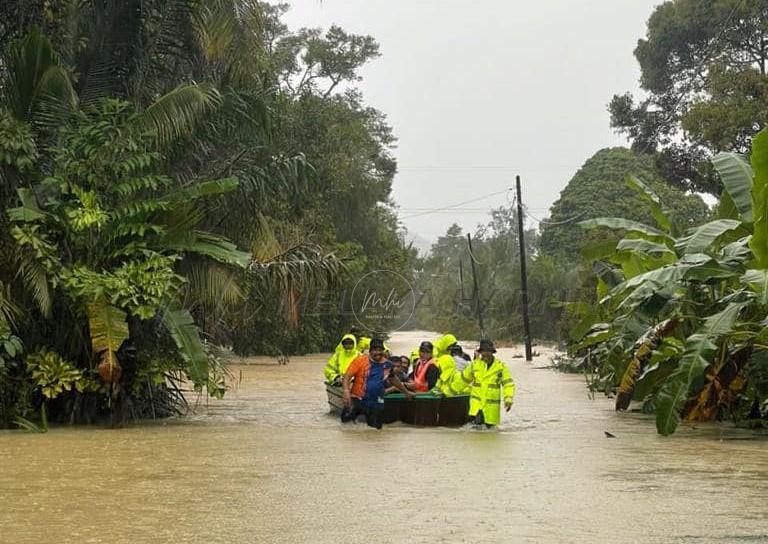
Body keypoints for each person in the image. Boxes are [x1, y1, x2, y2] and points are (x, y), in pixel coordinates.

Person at [342, 338, 413, 429]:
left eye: (380, 350)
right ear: (370, 351)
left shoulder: (387, 364)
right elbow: (347, 376)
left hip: (376, 403)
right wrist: (346, 392)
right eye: (375, 350)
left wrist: (406, 392)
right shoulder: (360, 361)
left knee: (375, 432)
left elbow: (393, 379)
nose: (378, 352)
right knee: (345, 428)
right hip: (357, 400)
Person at [459, 339, 515, 428]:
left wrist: (508, 399)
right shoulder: (474, 365)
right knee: (475, 436)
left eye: (487, 352)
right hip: (476, 409)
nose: (484, 356)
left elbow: (508, 384)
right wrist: (447, 392)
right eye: (483, 353)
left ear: (492, 352)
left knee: (489, 436)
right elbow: (461, 381)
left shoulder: (501, 367)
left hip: (491, 412)